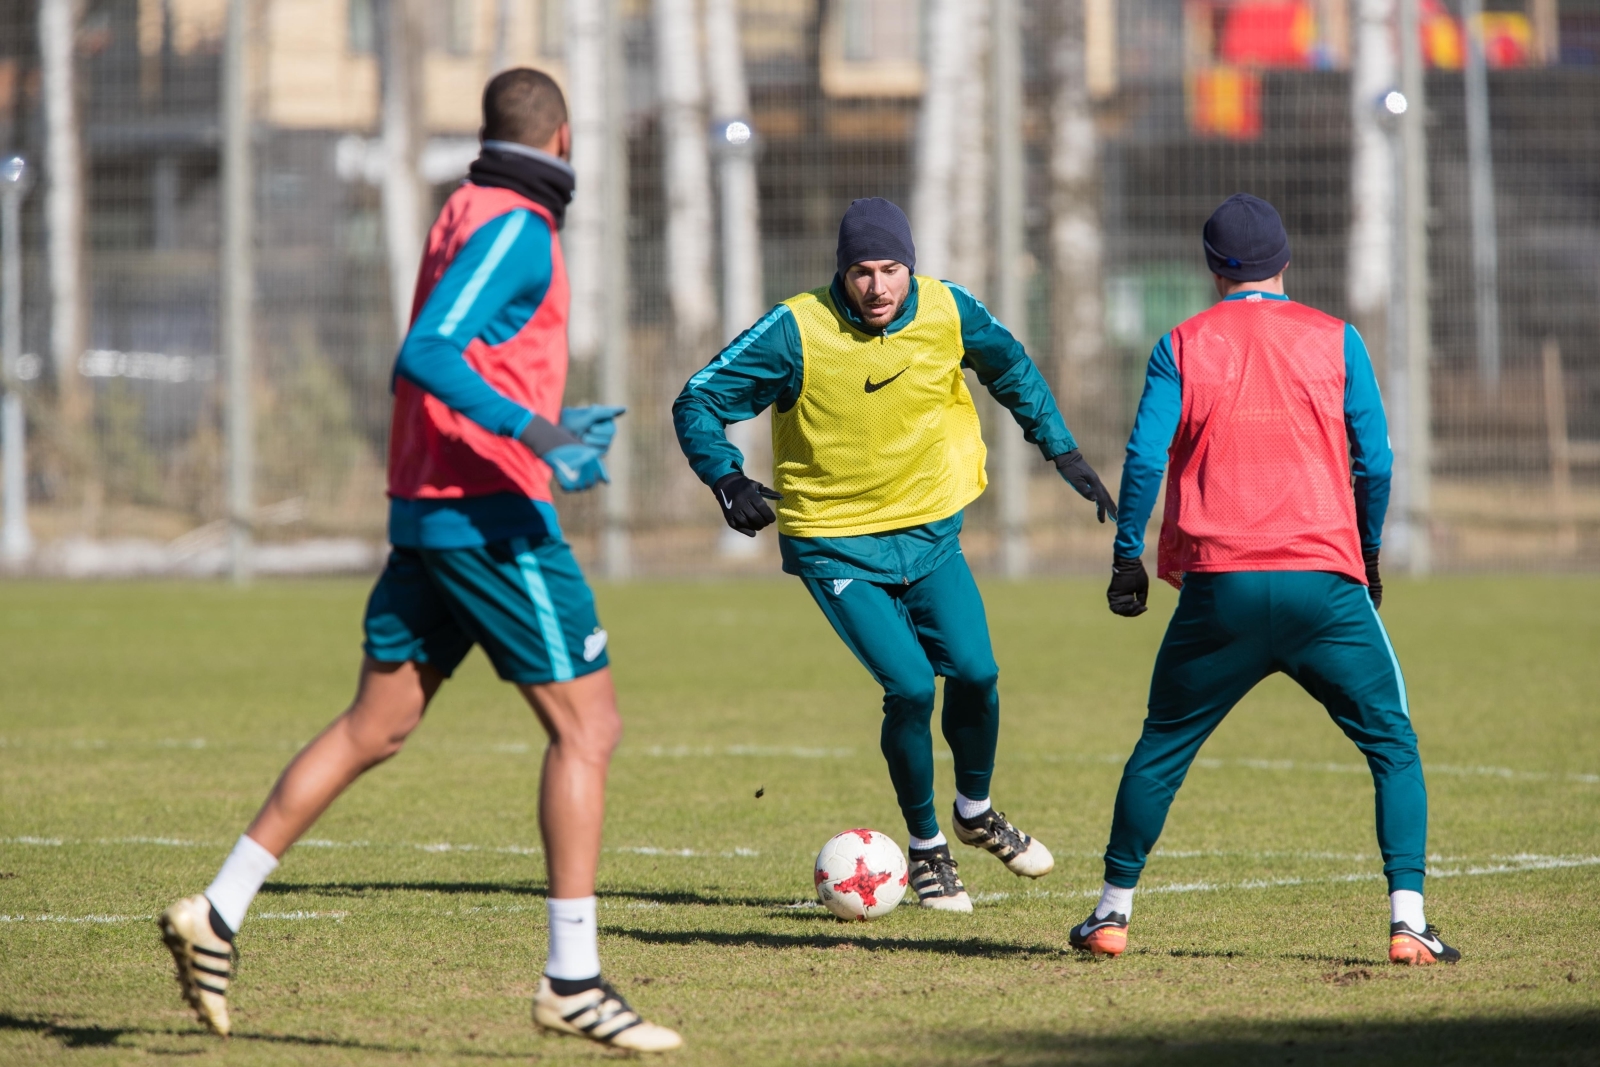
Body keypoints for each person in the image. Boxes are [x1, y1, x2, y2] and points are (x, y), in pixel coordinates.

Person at [157, 69, 682, 1052]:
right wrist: (540, 434)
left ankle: (217, 911)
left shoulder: (465, 205)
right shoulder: (519, 224)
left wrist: (552, 425)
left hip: (432, 507)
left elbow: (465, 356)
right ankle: (573, 978)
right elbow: (430, 352)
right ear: (562, 140)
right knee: (590, 726)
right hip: (487, 518)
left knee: (378, 722)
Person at [673, 198, 1116, 912]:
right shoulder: (798, 329)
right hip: (835, 540)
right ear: (840, 273)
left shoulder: (948, 309)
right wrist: (724, 476)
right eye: (860, 271)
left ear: (911, 267)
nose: (877, 287)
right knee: (911, 686)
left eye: (890, 269)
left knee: (977, 672)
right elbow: (697, 399)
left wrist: (1061, 448)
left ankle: (975, 811)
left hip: (930, 533)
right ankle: (928, 847)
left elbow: (1011, 368)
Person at [1070, 193, 1459, 967]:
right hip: (1323, 584)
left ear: (1214, 269)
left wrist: (1126, 554)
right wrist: (1368, 551)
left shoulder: (1181, 342)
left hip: (1220, 587)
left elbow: (1145, 459)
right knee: (1393, 743)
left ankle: (1112, 913)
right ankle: (1408, 919)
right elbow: (1375, 461)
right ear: (1286, 260)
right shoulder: (1337, 338)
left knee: (1161, 747)